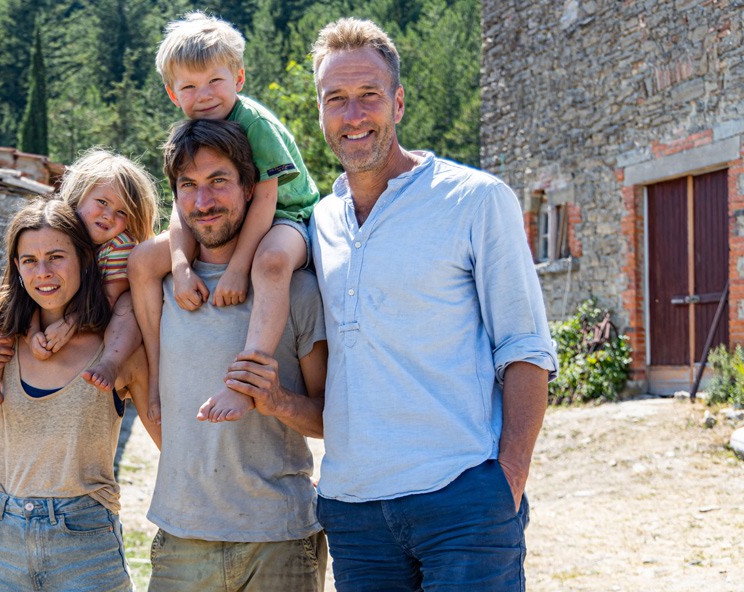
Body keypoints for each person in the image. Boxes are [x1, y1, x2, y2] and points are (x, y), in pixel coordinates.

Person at [308, 17, 558, 591]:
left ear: (397, 102)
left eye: (368, 95)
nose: (353, 115)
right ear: (321, 112)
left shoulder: (475, 200)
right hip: (353, 510)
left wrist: (507, 482)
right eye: (336, 100)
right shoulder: (321, 220)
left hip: (462, 499)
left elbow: (525, 346)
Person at [145, 118, 328, 592]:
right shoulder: (159, 290)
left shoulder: (297, 288)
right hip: (181, 542)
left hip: (280, 540)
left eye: (218, 182)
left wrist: (277, 401)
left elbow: (331, 419)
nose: (203, 202)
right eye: (189, 186)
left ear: (251, 188)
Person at [0, 198, 157, 591]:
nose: (42, 273)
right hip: (1, 541)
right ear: (16, 267)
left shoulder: (116, 350)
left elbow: (167, 435)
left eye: (55, 257)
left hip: (86, 546)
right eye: (29, 260)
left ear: (84, 260)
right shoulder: (2, 342)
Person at [129, 11, 319, 424]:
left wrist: (237, 270)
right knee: (143, 261)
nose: (205, 95)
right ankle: (158, 374)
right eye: (190, 86)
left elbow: (267, 202)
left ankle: (247, 378)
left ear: (239, 78)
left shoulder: (256, 126)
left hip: (289, 214)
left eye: (216, 81)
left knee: (270, 264)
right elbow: (182, 204)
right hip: (225, 211)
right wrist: (179, 268)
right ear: (172, 94)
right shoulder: (190, 132)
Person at [0, 150, 158, 415]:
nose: (109, 215)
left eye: (122, 212)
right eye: (102, 202)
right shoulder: (55, 229)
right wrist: (32, 335)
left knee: (128, 304)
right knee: (3, 305)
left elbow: (109, 299)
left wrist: (68, 325)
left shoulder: (120, 245)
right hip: (51, 304)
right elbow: (24, 289)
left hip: (98, 309)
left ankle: (112, 362)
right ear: (78, 197)